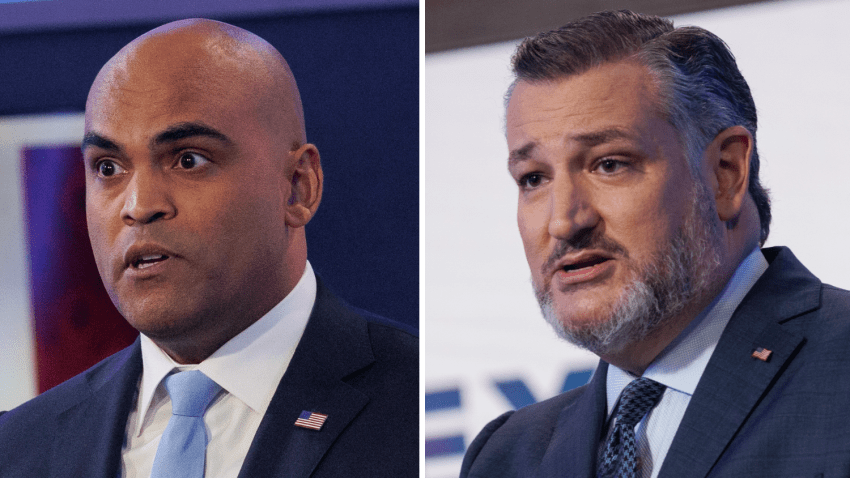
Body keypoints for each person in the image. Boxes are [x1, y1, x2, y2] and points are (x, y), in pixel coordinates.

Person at [0, 19, 417, 477]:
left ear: (298, 187)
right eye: (107, 168)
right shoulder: (18, 449)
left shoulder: (414, 406)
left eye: (188, 160)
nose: (139, 206)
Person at [460, 10, 850, 478]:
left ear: (726, 173)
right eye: (534, 178)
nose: (564, 220)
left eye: (609, 164)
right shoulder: (505, 458)